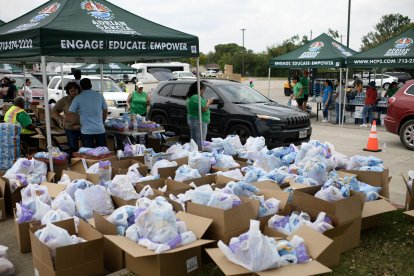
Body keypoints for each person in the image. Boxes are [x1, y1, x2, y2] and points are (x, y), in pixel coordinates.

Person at [68, 78, 108, 148]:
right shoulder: (99, 95)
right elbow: (105, 110)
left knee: (89, 154)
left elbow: (70, 113)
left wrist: (75, 123)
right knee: (103, 153)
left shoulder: (78, 98)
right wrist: (103, 121)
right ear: (91, 85)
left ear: (80, 87)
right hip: (100, 129)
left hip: (86, 130)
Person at [52, 82, 82, 153]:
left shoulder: (81, 98)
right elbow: (54, 109)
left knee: (84, 147)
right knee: (73, 147)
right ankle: (73, 161)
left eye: (75, 90)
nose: (74, 92)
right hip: (70, 127)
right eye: (71, 91)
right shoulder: (65, 100)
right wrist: (61, 118)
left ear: (78, 90)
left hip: (82, 126)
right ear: (68, 91)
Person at [186, 81, 212, 150]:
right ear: (198, 89)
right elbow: (203, 109)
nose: (203, 91)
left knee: (195, 140)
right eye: (203, 89)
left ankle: (194, 153)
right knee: (200, 140)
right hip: (198, 121)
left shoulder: (194, 97)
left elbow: (200, 106)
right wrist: (208, 102)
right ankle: (199, 154)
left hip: (195, 120)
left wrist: (206, 102)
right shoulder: (195, 97)